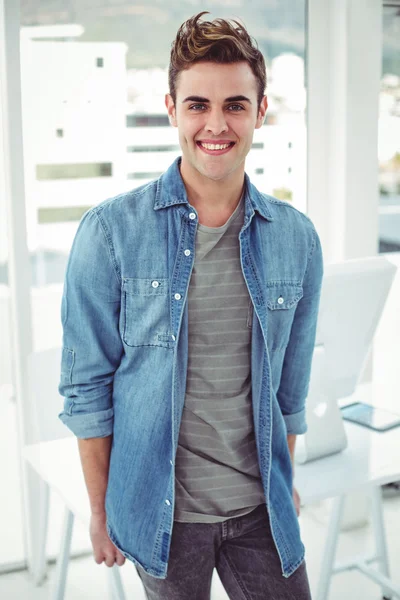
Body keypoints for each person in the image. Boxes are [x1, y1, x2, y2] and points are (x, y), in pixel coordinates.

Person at [59, 11, 323, 600]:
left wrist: (284, 481)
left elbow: (290, 393)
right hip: (162, 516)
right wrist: (102, 513)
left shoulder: (297, 239)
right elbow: (88, 391)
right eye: (198, 104)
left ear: (259, 112)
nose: (216, 124)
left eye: (234, 105)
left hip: (260, 511)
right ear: (173, 109)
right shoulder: (109, 233)